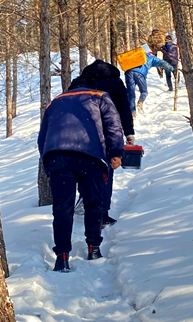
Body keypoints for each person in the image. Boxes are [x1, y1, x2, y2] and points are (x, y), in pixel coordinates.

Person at [38, 86, 124, 272]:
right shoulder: (101, 96)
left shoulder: (57, 101)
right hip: (89, 155)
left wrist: (48, 164)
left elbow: (42, 136)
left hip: (57, 156)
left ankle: (62, 257)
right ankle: (94, 248)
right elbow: (113, 125)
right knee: (93, 202)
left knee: (62, 207)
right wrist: (116, 152)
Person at [69, 60, 134, 228]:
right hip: (107, 131)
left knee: (83, 168)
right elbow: (123, 107)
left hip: (80, 132)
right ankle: (103, 214)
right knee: (106, 171)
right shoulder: (116, 82)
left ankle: (86, 197)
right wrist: (128, 132)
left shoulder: (79, 82)